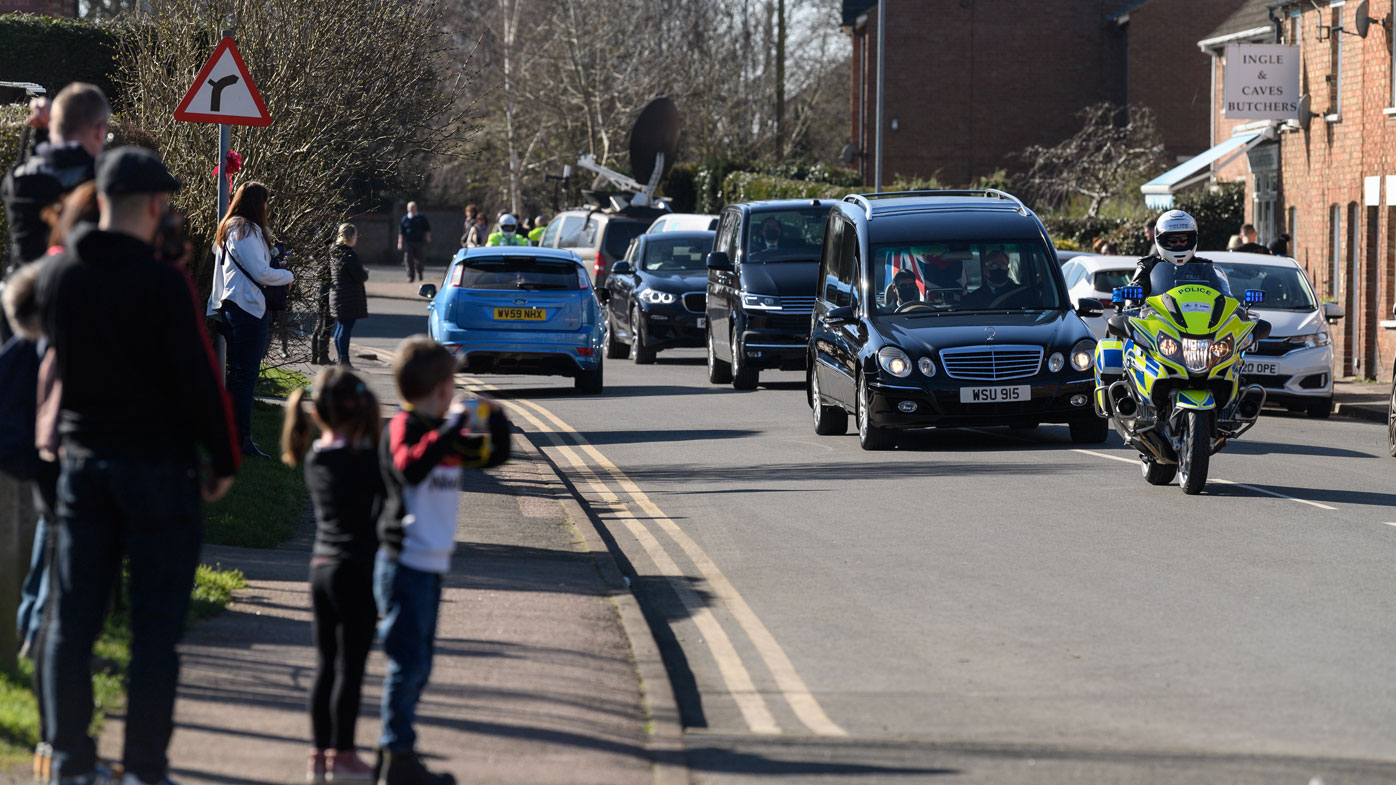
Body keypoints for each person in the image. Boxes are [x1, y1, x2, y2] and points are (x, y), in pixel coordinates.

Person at [34, 146, 240, 785]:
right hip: (156, 470)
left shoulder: (62, 276)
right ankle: (145, 766)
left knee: (73, 623)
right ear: (155, 205)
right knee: (155, 630)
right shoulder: (162, 281)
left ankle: (69, 761)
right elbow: (200, 378)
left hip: (84, 465)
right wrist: (224, 456)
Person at [375, 337, 511, 785]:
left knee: (419, 663)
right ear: (437, 389)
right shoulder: (405, 426)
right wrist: (450, 429)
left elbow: (493, 455)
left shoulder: (442, 436)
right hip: (404, 562)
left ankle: (394, 752)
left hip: (430, 565)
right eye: (451, 383)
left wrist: (499, 420)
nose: (455, 391)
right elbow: (409, 465)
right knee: (407, 663)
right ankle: (398, 756)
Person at [281, 367, 383, 785]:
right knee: (351, 669)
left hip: (321, 568)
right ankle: (344, 756)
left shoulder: (316, 454)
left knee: (326, 666)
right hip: (356, 570)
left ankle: (319, 758)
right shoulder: (366, 460)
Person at [1, 82, 109, 341]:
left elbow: (47, 164)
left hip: (19, 307)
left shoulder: (17, 179)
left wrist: (43, 130)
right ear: (99, 131)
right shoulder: (96, 183)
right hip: (72, 314)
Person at [207, 181, 296, 459]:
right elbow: (260, 272)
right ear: (257, 203)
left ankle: (231, 435)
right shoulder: (244, 230)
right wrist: (288, 276)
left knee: (238, 376)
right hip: (247, 308)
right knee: (245, 376)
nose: (267, 207)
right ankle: (240, 438)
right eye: (265, 202)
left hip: (234, 307)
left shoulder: (231, 228)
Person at [1127, 209, 1227, 300]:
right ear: (1161, 240)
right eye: (1173, 240)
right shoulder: (1148, 265)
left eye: (1183, 239)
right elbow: (1135, 293)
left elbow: (1222, 295)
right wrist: (1133, 296)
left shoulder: (1204, 267)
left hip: (1200, 317)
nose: (1179, 244)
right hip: (1158, 317)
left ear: (1191, 239)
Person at [329, 223, 369, 366]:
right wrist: (364, 272)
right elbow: (358, 276)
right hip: (348, 297)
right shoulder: (349, 253)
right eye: (355, 236)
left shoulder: (335, 251)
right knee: (345, 328)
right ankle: (344, 360)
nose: (356, 239)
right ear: (350, 237)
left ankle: (342, 359)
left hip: (338, 295)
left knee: (341, 327)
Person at [960, 250, 1025, 309]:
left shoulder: (1023, 294)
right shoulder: (971, 299)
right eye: (994, 265)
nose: (999, 268)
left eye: (1003, 265)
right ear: (985, 270)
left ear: (1007, 269)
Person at [398, 202, 432, 282]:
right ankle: (411, 276)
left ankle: (420, 272)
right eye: (410, 207)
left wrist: (428, 236)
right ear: (407, 209)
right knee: (408, 260)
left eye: (413, 207)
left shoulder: (421, 217)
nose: (412, 209)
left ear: (416, 208)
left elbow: (427, 228)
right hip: (408, 242)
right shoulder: (405, 219)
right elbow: (401, 232)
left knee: (420, 259)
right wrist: (400, 242)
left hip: (419, 242)